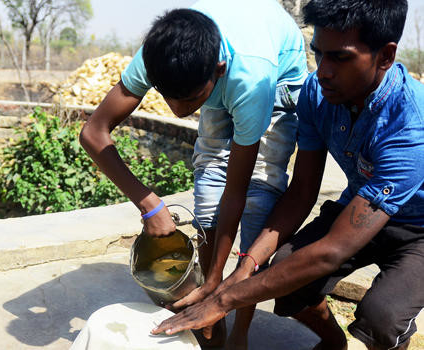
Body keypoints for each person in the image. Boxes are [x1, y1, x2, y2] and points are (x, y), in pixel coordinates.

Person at [153, 1, 424, 349]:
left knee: (382, 317)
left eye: (339, 58)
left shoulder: (411, 126)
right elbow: (301, 193)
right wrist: (247, 264)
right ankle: (333, 342)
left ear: (385, 56)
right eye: (318, 54)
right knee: (283, 271)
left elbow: (333, 250)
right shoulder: (317, 95)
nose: (323, 71)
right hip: (361, 206)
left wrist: (223, 300)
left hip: (418, 229)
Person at [80, 0, 308, 347]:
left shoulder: (252, 79)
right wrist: (150, 205)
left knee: (256, 208)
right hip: (218, 80)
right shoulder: (161, 55)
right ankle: (213, 328)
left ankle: (239, 334)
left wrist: (217, 277)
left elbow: (237, 188)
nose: (178, 110)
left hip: (276, 85)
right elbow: (93, 133)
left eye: (188, 99)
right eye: (166, 95)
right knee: (206, 208)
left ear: (217, 70)